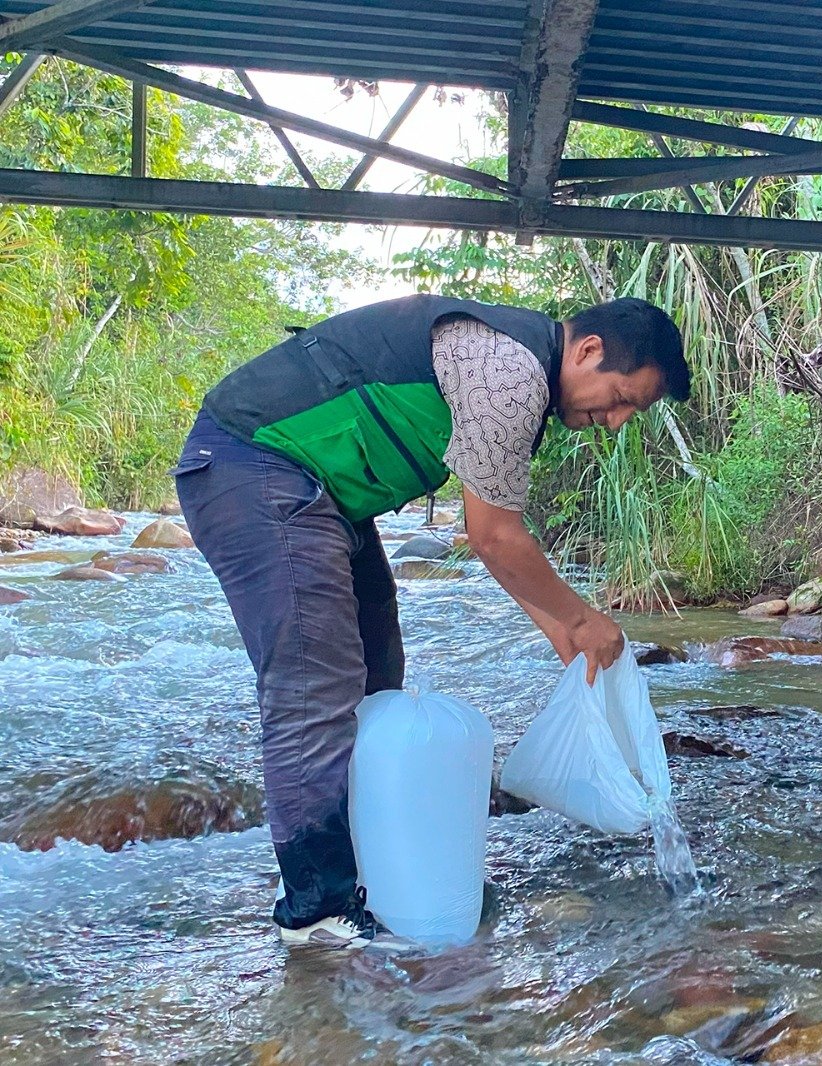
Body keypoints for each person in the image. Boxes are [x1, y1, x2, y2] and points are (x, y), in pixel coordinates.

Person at [174, 294, 689, 948]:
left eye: (629, 414)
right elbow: (494, 537)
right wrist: (582, 619)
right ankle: (315, 907)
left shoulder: (521, 375)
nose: (615, 422)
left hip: (322, 495)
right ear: (588, 350)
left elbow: (503, 553)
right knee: (317, 688)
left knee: (377, 675)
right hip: (253, 467)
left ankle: (376, 876)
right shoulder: (511, 372)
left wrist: (570, 637)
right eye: (621, 399)